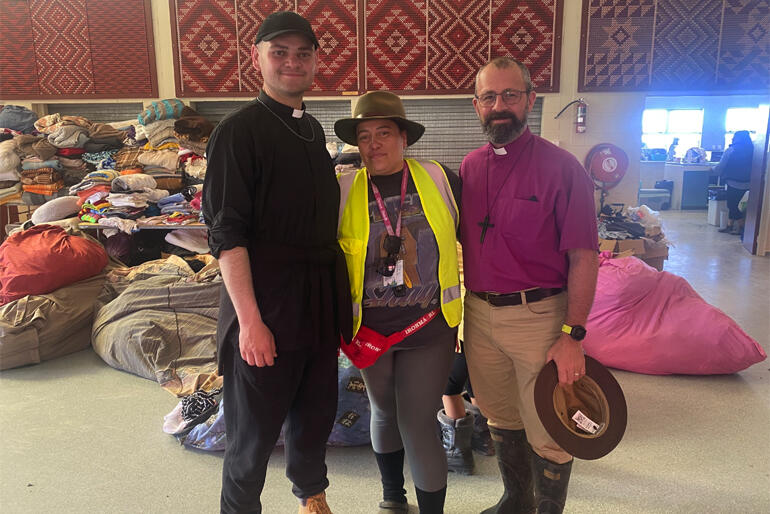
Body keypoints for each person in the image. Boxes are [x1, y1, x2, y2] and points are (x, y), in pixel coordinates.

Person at [202, 11, 350, 514]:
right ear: (257, 58)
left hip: (317, 307)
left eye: (303, 53)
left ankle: (313, 500)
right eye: (279, 52)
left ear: (315, 63)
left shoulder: (312, 130)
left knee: (314, 416)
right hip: (265, 305)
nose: (292, 62)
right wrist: (248, 322)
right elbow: (227, 235)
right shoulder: (237, 132)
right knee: (253, 434)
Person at [459, 57, 599, 514]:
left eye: (510, 95)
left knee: (549, 425)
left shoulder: (563, 168)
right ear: (476, 105)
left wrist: (573, 335)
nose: (500, 106)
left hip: (540, 317)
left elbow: (584, 256)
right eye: (489, 97)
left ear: (530, 100)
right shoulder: (470, 167)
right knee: (500, 415)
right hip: (479, 314)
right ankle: (515, 499)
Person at [334, 90, 462, 513]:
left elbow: (480, 241)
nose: (374, 144)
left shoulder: (441, 178)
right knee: (383, 412)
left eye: (384, 132)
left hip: (428, 325)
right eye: (365, 135)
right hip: (369, 329)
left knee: (416, 419)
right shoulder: (343, 189)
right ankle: (393, 499)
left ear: (404, 137)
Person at [439, 348, 495, 476]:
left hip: (456, 335)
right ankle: (483, 436)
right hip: (479, 335)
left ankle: (456, 454)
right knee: (470, 371)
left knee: (449, 385)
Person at [715, 130, 753, 235]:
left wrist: (713, 170)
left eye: (734, 137)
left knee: (732, 205)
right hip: (749, 183)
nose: (732, 138)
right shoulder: (753, 150)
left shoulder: (731, 150)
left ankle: (741, 227)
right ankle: (729, 226)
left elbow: (721, 166)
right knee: (735, 204)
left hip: (733, 182)